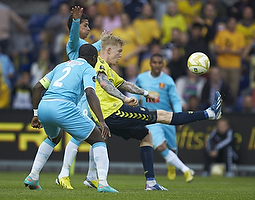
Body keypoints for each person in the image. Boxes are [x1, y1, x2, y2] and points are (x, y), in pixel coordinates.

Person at [59, 34, 222, 191]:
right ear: (108, 50)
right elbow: (104, 84)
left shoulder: (107, 68)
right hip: (115, 112)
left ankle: (150, 182)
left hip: (110, 116)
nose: (121, 55)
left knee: (146, 136)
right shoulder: (99, 65)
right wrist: (124, 99)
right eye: (119, 51)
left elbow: (125, 84)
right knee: (163, 116)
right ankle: (209, 113)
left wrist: (145, 93)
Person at [23, 44, 116, 193]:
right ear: (94, 58)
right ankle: (103, 183)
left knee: (54, 137)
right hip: (63, 106)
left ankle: (33, 176)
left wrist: (35, 114)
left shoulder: (61, 66)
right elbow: (90, 93)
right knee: (98, 138)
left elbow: (37, 88)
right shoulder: (88, 69)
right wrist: (102, 121)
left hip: (45, 106)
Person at [135, 53, 195, 182]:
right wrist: (132, 106)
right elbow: (135, 93)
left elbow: (175, 99)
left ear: (163, 65)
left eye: (159, 63)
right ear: (150, 64)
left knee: (172, 149)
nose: (157, 65)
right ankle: (186, 170)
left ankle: (171, 165)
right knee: (161, 146)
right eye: (154, 62)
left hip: (167, 117)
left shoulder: (168, 80)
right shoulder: (141, 78)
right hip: (151, 118)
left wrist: (179, 116)